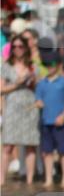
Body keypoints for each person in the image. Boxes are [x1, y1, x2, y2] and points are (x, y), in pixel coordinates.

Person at [0, 34, 39, 185]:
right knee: (8, 144)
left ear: (25, 48)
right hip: (12, 106)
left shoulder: (32, 66)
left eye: (20, 46)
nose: (17, 49)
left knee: (30, 144)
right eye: (14, 46)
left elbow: (37, 88)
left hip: (29, 106)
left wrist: (33, 80)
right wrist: (17, 83)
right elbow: (1, 89)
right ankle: (1, 180)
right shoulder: (6, 66)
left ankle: (29, 180)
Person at [33, 45, 64, 189]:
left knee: (63, 152)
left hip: (60, 122)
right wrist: (38, 103)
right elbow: (38, 99)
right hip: (46, 122)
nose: (49, 67)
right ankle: (49, 178)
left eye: (52, 64)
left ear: (58, 65)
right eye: (47, 64)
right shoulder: (41, 84)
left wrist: (63, 116)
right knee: (47, 152)